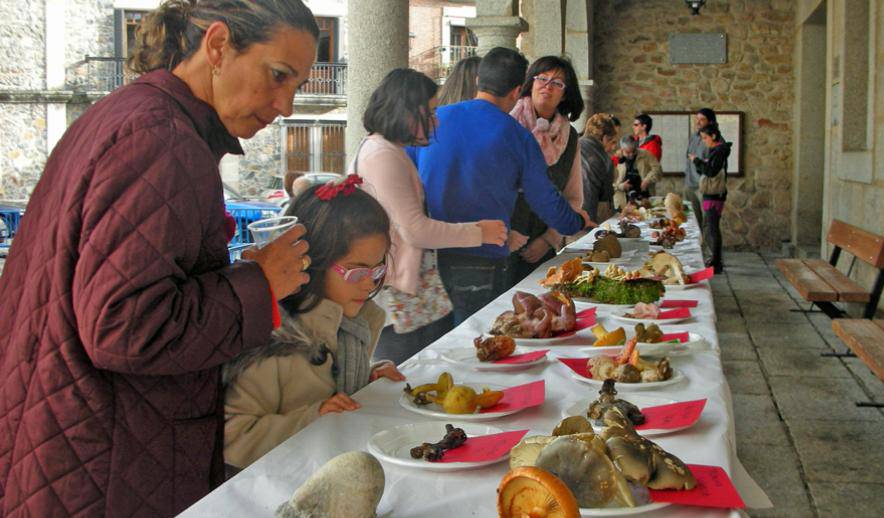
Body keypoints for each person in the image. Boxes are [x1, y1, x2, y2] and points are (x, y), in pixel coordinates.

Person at [0, 1, 318, 515]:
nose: (285, 103)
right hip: (106, 458)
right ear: (217, 46)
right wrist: (259, 283)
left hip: (64, 428)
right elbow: (124, 325)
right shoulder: (164, 139)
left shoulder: (129, 114)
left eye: (297, 85)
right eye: (278, 75)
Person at [223, 179, 404, 469]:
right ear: (311, 263)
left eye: (378, 268)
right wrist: (313, 418)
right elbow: (233, 436)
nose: (369, 283)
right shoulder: (272, 337)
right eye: (355, 272)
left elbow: (329, 388)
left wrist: (366, 378)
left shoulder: (354, 322)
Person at [410, 47, 589, 324]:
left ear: (478, 78)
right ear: (518, 91)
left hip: (427, 256)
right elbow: (545, 199)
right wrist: (574, 221)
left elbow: (406, 175)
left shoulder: (432, 121)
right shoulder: (518, 137)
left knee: (433, 347)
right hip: (481, 257)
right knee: (470, 338)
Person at [350, 68, 507, 364]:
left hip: (405, 289)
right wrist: (479, 232)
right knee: (407, 372)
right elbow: (415, 230)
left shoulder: (386, 149)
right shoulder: (382, 154)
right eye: (431, 112)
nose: (436, 121)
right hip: (395, 294)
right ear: (408, 111)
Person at [507, 56, 585, 285]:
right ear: (530, 82)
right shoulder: (507, 124)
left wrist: (549, 239)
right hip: (502, 240)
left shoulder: (569, 137)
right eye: (542, 78)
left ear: (565, 94)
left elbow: (573, 196)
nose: (547, 86)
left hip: (542, 247)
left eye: (557, 83)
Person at [689, 124, 732, 273]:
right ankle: (715, 260)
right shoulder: (716, 151)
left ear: (713, 136)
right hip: (711, 194)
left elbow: (711, 171)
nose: (704, 141)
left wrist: (696, 161)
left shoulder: (719, 151)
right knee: (711, 227)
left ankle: (716, 262)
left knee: (712, 228)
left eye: (705, 138)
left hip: (714, 195)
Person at [580, 113, 620, 223]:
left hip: (561, 220)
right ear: (605, 137)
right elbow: (605, 198)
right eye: (612, 142)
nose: (613, 148)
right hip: (588, 220)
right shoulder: (605, 160)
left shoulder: (570, 147)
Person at [685, 108, 716, 232]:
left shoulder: (715, 139)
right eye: (697, 119)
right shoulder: (694, 136)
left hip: (704, 186)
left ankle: (707, 250)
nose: (698, 122)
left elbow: (712, 165)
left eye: (702, 119)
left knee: (707, 222)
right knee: (692, 221)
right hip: (690, 184)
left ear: (710, 121)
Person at [614, 135, 662, 208]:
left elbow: (658, 169)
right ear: (622, 149)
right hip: (623, 201)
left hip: (644, 197)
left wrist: (647, 180)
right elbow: (610, 182)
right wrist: (622, 186)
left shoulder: (646, 154)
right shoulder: (615, 159)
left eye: (633, 151)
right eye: (628, 152)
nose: (631, 155)